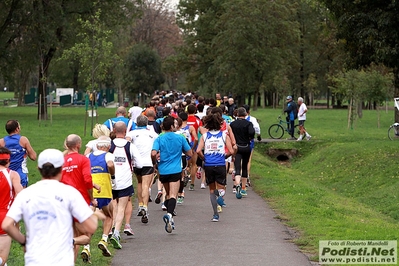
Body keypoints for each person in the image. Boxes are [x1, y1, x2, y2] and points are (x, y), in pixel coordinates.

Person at [1, 149, 98, 266]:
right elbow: (91, 227)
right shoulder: (70, 193)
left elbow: (7, 225)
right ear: (61, 168)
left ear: (38, 168)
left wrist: (24, 242)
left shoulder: (26, 194)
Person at [151, 116, 193, 233]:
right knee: (173, 195)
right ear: (171, 126)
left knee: (168, 194)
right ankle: (169, 215)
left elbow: (154, 152)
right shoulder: (180, 138)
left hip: (163, 170)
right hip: (175, 170)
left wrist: (154, 163)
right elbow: (189, 152)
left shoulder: (159, 138)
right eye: (174, 124)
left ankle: (171, 220)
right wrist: (183, 152)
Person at [62, 134, 97, 263]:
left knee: (73, 234)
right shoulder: (83, 159)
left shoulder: (61, 161)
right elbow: (87, 179)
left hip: (63, 203)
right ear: (78, 145)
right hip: (79, 202)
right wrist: (92, 198)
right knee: (86, 235)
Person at [109, 122, 143, 249]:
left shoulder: (109, 145)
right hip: (125, 181)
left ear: (114, 130)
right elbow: (139, 164)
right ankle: (117, 233)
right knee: (122, 208)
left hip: (111, 181)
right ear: (125, 131)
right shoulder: (130, 146)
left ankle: (111, 229)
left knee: (113, 207)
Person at [197, 113, 234, 222]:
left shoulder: (205, 136)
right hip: (220, 164)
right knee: (221, 187)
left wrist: (204, 158)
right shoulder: (224, 135)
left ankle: (215, 215)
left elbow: (198, 150)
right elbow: (231, 151)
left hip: (209, 165)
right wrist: (225, 156)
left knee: (212, 190)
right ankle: (221, 196)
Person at [126, 115, 158, 224]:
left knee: (139, 182)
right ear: (147, 123)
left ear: (136, 124)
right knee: (146, 185)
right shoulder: (153, 134)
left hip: (136, 163)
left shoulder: (131, 134)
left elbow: (127, 143)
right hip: (148, 162)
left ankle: (140, 204)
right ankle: (145, 206)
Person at [87, 136, 115, 257]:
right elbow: (110, 164)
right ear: (108, 146)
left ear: (97, 145)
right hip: (104, 188)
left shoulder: (89, 156)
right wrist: (112, 175)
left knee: (88, 217)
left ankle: (86, 246)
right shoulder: (108, 155)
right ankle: (104, 239)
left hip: (90, 189)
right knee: (109, 215)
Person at [0, 147, 22, 266]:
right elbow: (21, 196)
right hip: (4, 218)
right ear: (8, 161)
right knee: (2, 258)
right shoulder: (12, 175)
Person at [0, 120, 37, 187]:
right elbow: (33, 157)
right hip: (20, 174)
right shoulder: (23, 140)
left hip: (6, 174)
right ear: (17, 129)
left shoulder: (2, 142)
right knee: (21, 196)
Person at [229, 107, 255, 199]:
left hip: (237, 147)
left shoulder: (232, 124)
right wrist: (249, 138)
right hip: (246, 147)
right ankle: (243, 188)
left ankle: (237, 185)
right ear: (245, 114)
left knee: (237, 167)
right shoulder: (249, 124)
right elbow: (252, 133)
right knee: (244, 166)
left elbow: (229, 135)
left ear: (237, 114)